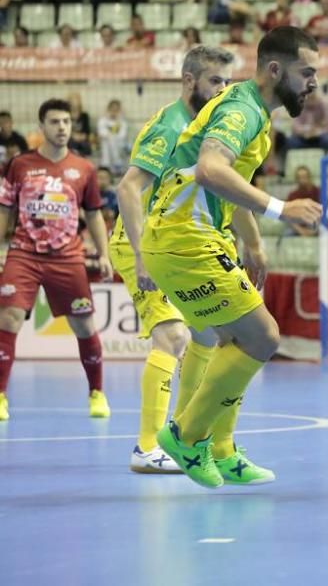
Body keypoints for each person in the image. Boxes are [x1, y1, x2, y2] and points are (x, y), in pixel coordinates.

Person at [140, 27, 323, 488]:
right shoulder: (242, 109)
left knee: (233, 342)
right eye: (307, 72)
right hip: (185, 240)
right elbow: (210, 169)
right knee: (262, 337)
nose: (313, 83)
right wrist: (282, 208)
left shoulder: (255, 111)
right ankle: (185, 435)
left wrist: (254, 243)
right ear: (275, 70)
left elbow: (226, 184)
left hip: (196, 238)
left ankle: (220, 449)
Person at [112, 46, 234, 474]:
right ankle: (147, 447)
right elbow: (127, 189)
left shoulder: (207, 126)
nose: (223, 90)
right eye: (215, 81)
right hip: (141, 241)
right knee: (172, 336)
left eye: (227, 82)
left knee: (206, 334)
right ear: (189, 81)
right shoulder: (170, 126)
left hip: (176, 239)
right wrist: (144, 255)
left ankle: (183, 438)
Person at [0, 99, 114, 422]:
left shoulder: (85, 169)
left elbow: (93, 216)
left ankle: (96, 393)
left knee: (84, 324)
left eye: (66, 122)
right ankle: (0, 396)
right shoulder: (19, 164)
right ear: (41, 127)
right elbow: (5, 211)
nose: (62, 127)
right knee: (8, 318)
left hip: (67, 257)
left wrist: (103, 253)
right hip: (24, 253)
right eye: (54, 122)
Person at [97, 99, 130, 173]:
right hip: (106, 146)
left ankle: (115, 163)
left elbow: (122, 135)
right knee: (106, 141)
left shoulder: (122, 122)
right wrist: (111, 136)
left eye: (116, 110)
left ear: (119, 111)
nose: (114, 112)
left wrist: (112, 136)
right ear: (108, 110)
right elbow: (101, 133)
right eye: (112, 109)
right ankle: (107, 164)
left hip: (119, 146)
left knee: (113, 140)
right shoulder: (102, 120)